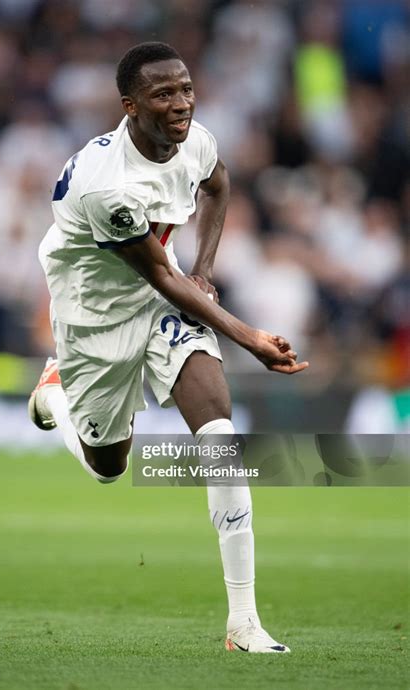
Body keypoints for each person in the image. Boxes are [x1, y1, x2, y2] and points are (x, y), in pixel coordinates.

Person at [29, 42, 308, 653]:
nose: (181, 104)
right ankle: (61, 398)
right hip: (95, 316)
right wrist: (251, 337)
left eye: (185, 89)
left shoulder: (196, 139)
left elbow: (217, 182)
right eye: (163, 95)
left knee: (219, 438)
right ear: (130, 106)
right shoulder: (107, 185)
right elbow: (156, 273)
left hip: (166, 301)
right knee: (110, 468)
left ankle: (244, 622)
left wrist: (204, 269)